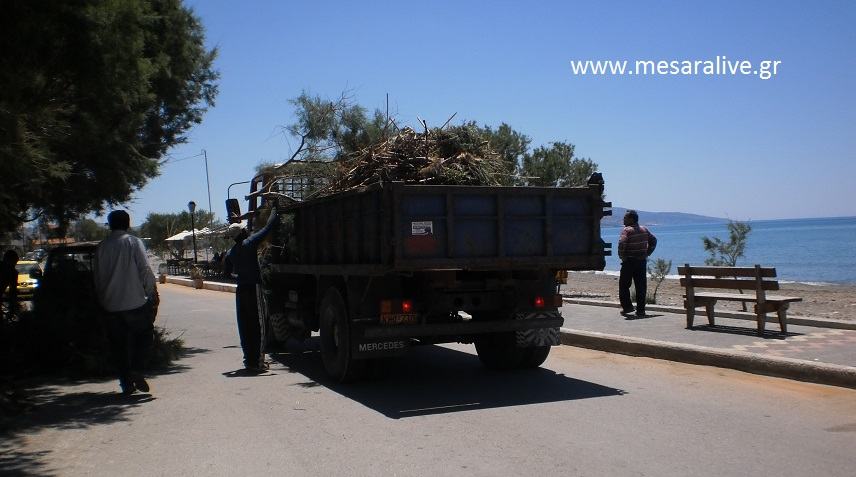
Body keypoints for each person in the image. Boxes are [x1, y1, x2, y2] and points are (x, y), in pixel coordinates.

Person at [93, 210, 159, 395]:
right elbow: (145, 269)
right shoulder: (133, 242)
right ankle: (137, 370)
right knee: (144, 336)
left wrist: (102, 299)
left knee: (118, 345)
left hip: (110, 304)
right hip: (134, 302)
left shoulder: (102, 247)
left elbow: (97, 277)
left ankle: (126, 383)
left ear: (110, 224)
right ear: (128, 224)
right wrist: (149, 293)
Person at [224, 208, 279, 371]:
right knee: (260, 324)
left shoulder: (231, 252)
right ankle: (259, 362)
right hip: (254, 288)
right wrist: (275, 211)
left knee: (245, 325)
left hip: (241, 290)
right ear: (242, 232)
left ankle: (249, 359)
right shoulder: (250, 243)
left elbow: (227, 273)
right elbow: (267, 228)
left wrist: (240, 275)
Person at [617, 210, 657, 318]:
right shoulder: (644, 229)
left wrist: (622, 256)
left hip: (629, 262)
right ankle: (640, 311)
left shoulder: (627, 230)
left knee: (624, 285)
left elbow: (621, 243)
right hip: (641, 262)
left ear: (631, 219)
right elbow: (654, 240)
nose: (623, 219)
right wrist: (647, 253)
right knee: (641, 287)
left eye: (625, 218)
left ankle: (627, 307)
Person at [1, 250, 19, 320]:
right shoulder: (12, 272)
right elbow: (13, 292)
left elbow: (12, 292)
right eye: (14, 263)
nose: (14, 265)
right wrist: (12, 310)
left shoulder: (12, 272)